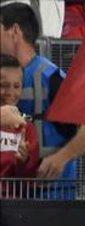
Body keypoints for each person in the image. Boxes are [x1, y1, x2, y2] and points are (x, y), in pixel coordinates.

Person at [1, 2, 85, 198]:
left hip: (52, 201)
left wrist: (61, 158)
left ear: (14, 31)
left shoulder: (51, 77)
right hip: (10, 200)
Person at [0, 52, 38, 194]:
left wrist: (25, 161)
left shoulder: (27, 128)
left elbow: (31, 181)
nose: (10, 92)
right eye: (3, 85)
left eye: (16, 86)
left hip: (14, 208)